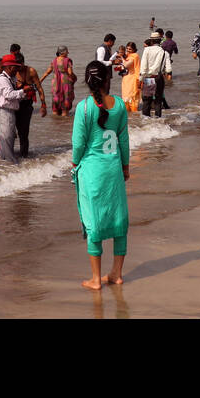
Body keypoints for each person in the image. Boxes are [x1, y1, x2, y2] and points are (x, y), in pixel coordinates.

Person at [72, 61, 129, 291]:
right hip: (113, 169)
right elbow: (123, 140)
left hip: (92, 172)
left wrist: (74, 164)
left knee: (93, 220)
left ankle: (96, 279)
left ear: (87, 81)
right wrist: (125, 166)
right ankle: (116, 273)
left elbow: (78, 144)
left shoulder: (84, 108)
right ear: (108, 79)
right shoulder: (120, 106)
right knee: (118, 219)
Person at [0, 54, 27, 164]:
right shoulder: (3, 80)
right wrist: (23, 91)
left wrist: (22, 94)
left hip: (8, 112)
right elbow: (9, 94)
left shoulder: (9, 79)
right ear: (9, 67)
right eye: (15, 67)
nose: (16, 70)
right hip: (3, 112)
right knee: (7, 139)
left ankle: (6, 164)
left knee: (8, 139)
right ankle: (12, 164)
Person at [12, 51, 48, 158]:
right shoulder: (13, 72)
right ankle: (11, 155)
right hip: (13, 105)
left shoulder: (31, 71)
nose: (18, 68)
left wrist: (43, 105)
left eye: (20, 66)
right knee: (11, 132)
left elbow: (40, 88)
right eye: (16, 66)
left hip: (26, 105)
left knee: (23, 132)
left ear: (23, 63)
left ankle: (24, 156)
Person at [138, 31, 173, 118]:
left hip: (149, 78)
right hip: (159, 78)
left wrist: (140, 80)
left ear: (152, 41)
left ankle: (146, 121)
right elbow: (168, 69)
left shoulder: (147, 50)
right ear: (160, 41)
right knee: (158, 100)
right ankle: (158, 121)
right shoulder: (165, 53)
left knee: (147, 100)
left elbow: (143, 67)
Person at [40, 47, 77, 117]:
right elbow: (70, 72)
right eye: (67, 51)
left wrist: (40, 81)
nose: (68, 53)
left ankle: (56, 124)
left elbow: (47, 72)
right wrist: (75, 77)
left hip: (55, 84)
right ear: (63, 52)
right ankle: (63, 124)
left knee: (55, 107)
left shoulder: (54, 61)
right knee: (65, 109)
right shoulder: (67, 61)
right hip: (65, 84)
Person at [120, 41, 142, 113]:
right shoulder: (128, 56)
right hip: (126, 79)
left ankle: (134, 115)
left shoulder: (134, 56)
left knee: (131, 97)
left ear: (134, 49)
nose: (128, 51)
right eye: (127, 49)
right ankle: (129, 115)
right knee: (125, 97)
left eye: (130, 49)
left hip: (132, 79)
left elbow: (126, 65)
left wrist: (121, 58)